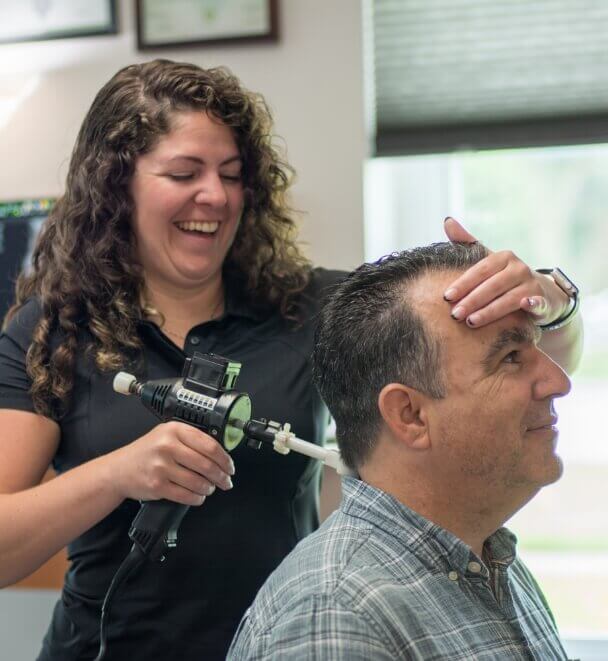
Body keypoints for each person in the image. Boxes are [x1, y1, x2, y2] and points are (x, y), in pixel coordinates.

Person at [0, 58, 580, 660]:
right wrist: (118, 474)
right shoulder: (52, 331)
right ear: (116, 184)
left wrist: (546, 298)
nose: (215, 195)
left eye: (231, 174)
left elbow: (532, 365)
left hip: (297, 638)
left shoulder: (312, 308)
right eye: (184, 172)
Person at [229, 242, 575, 660]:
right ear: (409, 415)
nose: (558, 382)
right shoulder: (338, 614)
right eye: (511, 358)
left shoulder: (490, 562)